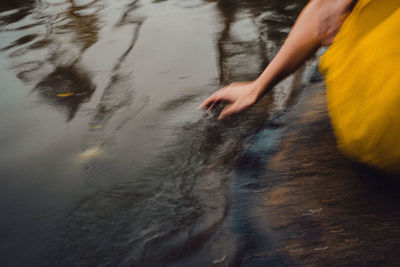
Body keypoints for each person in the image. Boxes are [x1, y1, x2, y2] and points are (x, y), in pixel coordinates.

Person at [199, 0, 400, 173]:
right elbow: (323, 12)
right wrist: (257, 87)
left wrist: (257, 87)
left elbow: (322, 14)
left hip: (373, 131)